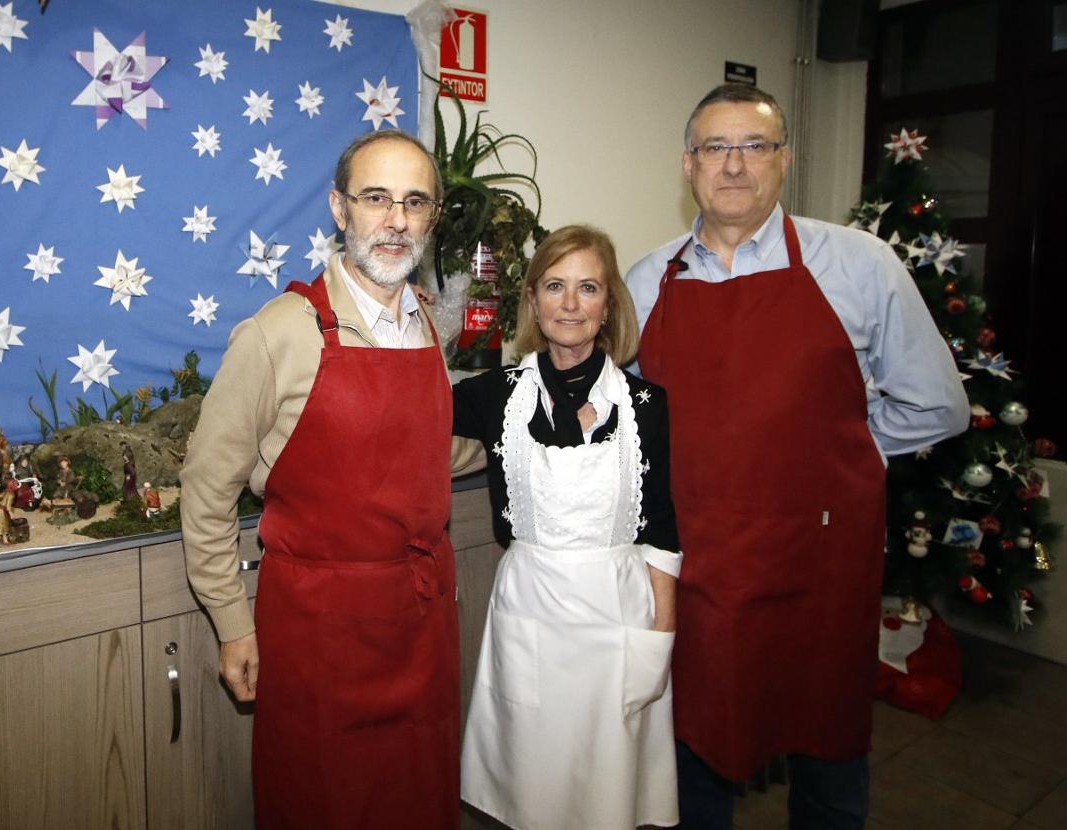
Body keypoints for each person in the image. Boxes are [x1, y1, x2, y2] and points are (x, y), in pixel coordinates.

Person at [626, 83, 970, 829]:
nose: (735, 166)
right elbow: (626, 415)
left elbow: (938, 405)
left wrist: (836, 448)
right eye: (716, 147)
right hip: (698, 562)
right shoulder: (649, 280)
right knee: (693, 743)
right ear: (688, 164)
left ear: (783, 160)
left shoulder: (859, 264)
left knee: (828, 748)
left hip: (819, 560)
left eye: (754, 146)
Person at [181, 129, 459, 830]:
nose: (395, 220)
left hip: (419, 625)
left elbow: (429, 450)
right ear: (339, 209)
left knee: (415, 804)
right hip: (317, 636)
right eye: (376, 199)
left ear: (430, 217)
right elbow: (207, 490)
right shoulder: (280, 332)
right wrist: (232, 623)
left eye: (414, 202)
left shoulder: (428, 325)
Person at [453, 225, 682, 830]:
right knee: (532, 790)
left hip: (618, 616)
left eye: (588, 288)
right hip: (531, 609)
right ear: (532, 300)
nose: (571, 304)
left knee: (610, 791)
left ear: (609, 305)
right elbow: (401, 404)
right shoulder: (492, 397)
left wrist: (661, 636)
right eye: (555, 286)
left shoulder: (647, 404)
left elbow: (661, 529)